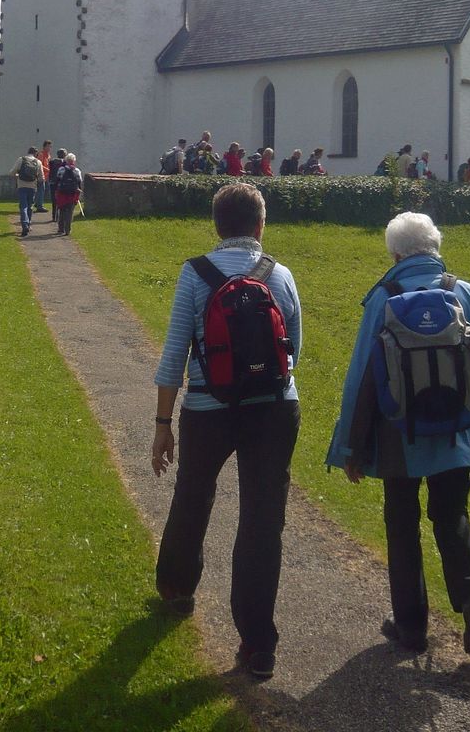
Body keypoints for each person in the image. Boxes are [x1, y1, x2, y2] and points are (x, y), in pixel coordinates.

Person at [326, 211, 470, 655]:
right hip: (457, 433)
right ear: (436, 248)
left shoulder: (384, 296)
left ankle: (411, 628)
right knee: (452, 515)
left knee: (401, 523)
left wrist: (349, 445)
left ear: (396, 253)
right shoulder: (464, 293)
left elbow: (360, 378)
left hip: (398, 434)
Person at [152, 182, 302, 680]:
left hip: (207, 406)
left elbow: (175, 352)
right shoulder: (280, 275)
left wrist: (162, 424)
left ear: (217, 226)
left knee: (194, 495)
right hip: (274, 409)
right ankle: (258, 644)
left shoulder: (194, 274)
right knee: (262, 520)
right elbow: (293, 351)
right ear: (261, 225)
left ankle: (177, 591)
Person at [10, 146, 42, 236]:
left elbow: (12, 172)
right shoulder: (38, 162)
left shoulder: (21, 159)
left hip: (22, 185)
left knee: (23, 206)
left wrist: (18, 176)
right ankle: (28, 224)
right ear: (36, 153)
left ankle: (24, 225)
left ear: (28, 152)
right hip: (32, 186)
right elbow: (41, 177)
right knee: (30, 206)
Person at [55, 153, 83, 236]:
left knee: (62, 210)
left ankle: (61, 229)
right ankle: (68, 230)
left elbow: (57, 180)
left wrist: (56, 191)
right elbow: (79, 182)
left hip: (62, 193)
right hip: (72, 194)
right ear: (74, 161)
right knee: (70, 212)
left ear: (66, 161)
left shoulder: (61, 169)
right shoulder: (77, 170)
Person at [48, 147, 67, 221]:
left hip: (53, 182)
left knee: (54, 200)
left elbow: (50, 171)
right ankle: (60, 216)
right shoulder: (65, 162)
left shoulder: (52, 161)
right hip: (61, 183)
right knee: (61, 199)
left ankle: (54, 216)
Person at [35, 141, 52, 212]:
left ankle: (37, 203)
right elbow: (40, 165)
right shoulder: (41, 154)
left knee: (43, 190)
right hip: (41, 176)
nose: (49, 148)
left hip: (46, 176)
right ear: (44, 147)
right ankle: (40, 206)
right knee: (41, 190)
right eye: (48, 146)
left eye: (50, 147)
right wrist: (48, 170)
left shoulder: (48, 155)